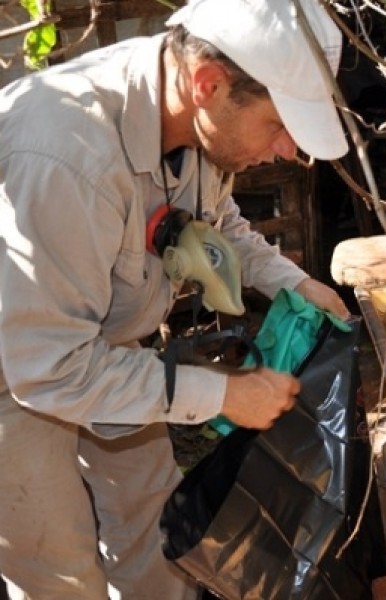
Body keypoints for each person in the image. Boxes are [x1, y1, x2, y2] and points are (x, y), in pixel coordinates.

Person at [0, 0, 352, 596]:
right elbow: (47, 368)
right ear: (209, 84)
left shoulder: (191, 118)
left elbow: (217, 225)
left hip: (102, 345)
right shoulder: (68, 158)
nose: (290, 150)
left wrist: (293, 282)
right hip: (22, 371)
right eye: (279, 124)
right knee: (61, 570)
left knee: (154, 524)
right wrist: (222, 394)